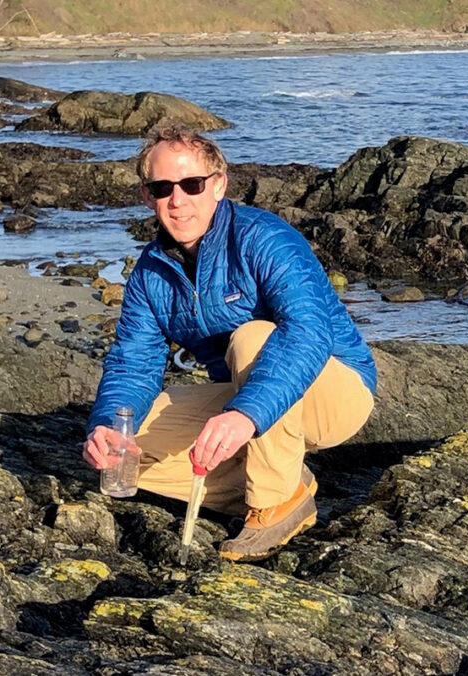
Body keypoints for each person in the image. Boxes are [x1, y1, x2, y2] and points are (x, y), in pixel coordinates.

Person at [83, 124, 377, 561]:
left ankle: (273, 504)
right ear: (147, 196)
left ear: (218, 185)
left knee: (253, 337)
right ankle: (285, 480)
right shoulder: (150, 272)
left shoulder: (265, 239)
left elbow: (308, 333)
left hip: (333, 389)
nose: (177, 200)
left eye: (191, 184)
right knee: (125, 451)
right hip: (246, 398)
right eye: (162, 187)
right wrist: (107, 424)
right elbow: (133, 363)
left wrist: (244, 414)